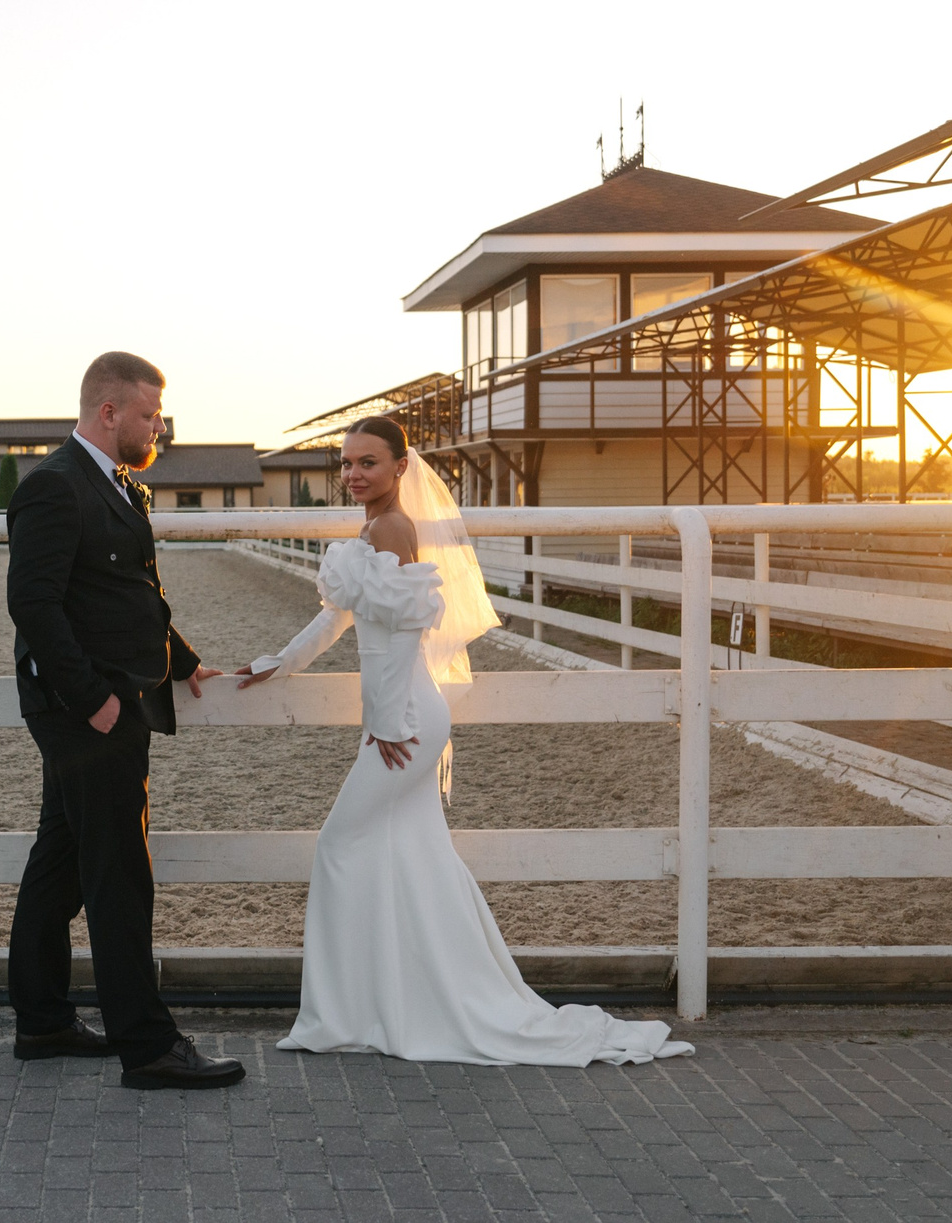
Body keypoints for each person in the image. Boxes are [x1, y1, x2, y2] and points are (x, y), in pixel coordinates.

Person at [237, 415, 694, 1068]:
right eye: (346, 463)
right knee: (412, 856)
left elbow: (398, 639)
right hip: (401, 714)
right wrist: (278, 662)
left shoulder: (391, 528)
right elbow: (340, 617)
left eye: (367, 461)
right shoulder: (376, 529)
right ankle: (390, 1005)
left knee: (341, 845)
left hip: (406, 718)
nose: (353, 473)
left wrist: (389, 722)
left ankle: (344, 1014)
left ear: (400, 467)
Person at [5, 351, 246, 1090]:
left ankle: (43, 1020)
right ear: (109, 412)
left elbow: (128, 591)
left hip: (109, 704)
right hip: (90, 714)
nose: (159, 427)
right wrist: (96, 702)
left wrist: (180, 658)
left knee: (63, 863)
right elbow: (34, 605)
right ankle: (147, 1046)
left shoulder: (117, 484)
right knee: (119, 875)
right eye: (148, 414)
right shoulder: (54, 485)